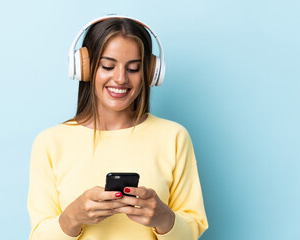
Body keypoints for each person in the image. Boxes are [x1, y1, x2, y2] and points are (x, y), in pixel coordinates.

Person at [27, 15, 208, 240]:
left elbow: (193, 230)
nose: (120, 78)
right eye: (108, 66)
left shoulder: (174, 137)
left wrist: (164, 218)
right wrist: (73, 216)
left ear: (149, 73)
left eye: (133, 69)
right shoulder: (50, 143)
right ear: (85, 68)